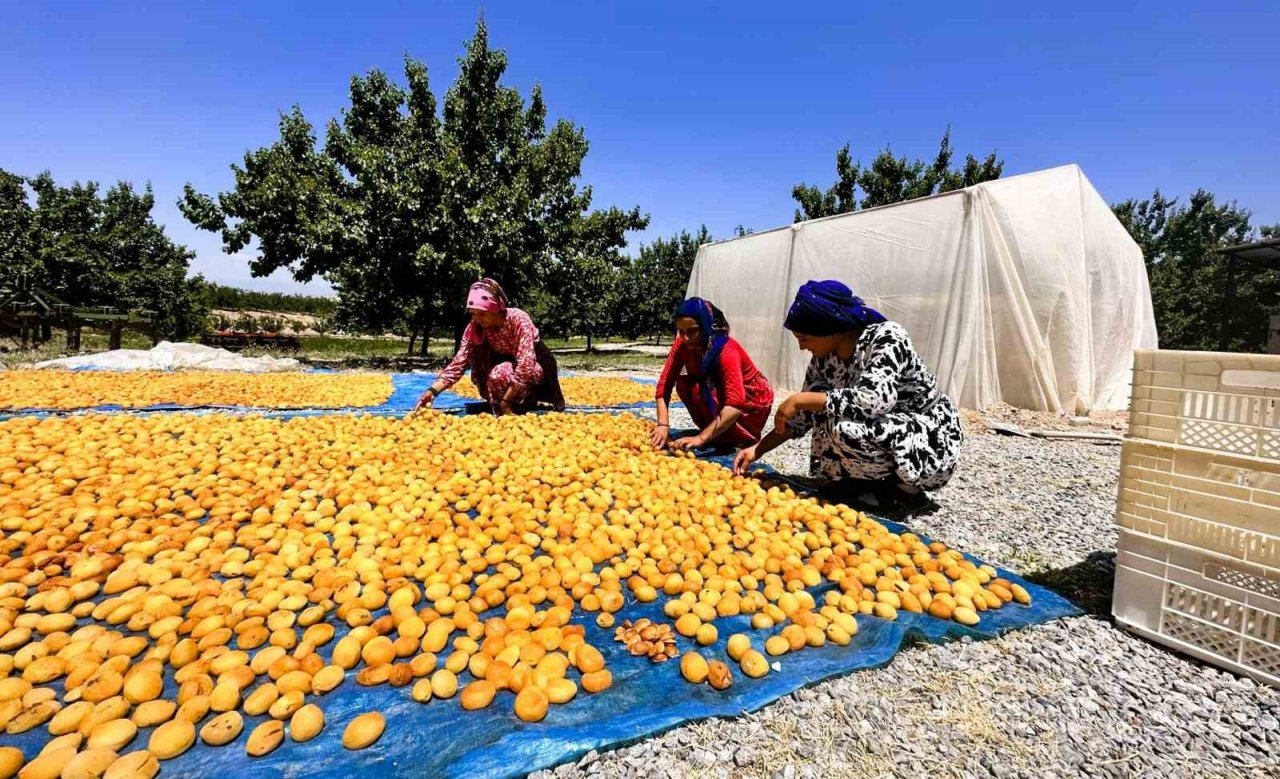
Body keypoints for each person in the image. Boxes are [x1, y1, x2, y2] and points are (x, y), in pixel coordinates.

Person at [732, 280, 963, 498]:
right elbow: (799, 419)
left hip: (926, 436)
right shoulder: (823, 359)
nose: (802, 347)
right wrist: (756, 450)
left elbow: (874, 400)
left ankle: (903, 490)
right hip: (887, 427)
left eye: (804, 338)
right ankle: (858, 483)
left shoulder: (887, 337)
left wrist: (801, 399)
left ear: (832, 328)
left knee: (842, 424)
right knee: (825, 409)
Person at [415, 278, 565, 415]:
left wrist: (506, 402)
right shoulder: (475, 327)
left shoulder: (518, 320)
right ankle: (507, 405)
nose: (476, 319)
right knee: (492, 372)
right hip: (505, 370)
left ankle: (521, 401)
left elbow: (526, 365)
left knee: (499, 374)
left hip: (535, 369)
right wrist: (432, 391)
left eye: (482, 314)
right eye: (473, 314)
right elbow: (459, 362)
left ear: (495, 309)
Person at [651, 298, 774, 451]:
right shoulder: (682, 346)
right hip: (720, 392)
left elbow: (735, 404)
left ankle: (737, 436)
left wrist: (701, 438)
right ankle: (716, 432)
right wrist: (663, 425)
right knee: (687, 385)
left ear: (705, 327)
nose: (685, 338)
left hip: (750, 399)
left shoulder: (726, 350)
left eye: (692, 331)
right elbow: (664, 385)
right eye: (680, 332)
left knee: (709, 389)